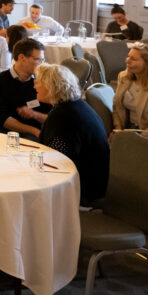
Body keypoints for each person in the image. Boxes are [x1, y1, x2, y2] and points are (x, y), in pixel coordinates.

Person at [37, 64, 110, 203]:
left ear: (50, 86)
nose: (34, 86)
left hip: (83, 188)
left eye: (38, 82)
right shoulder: (76, 104)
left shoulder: (63, 115)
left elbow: (57, 159)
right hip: (97, 180)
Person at [0, 38, 49, 137]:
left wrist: (34, 115)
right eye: (38, 59)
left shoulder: (42, 81)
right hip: (3, 130)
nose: (42, 64)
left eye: (43, 60)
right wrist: (33, 130)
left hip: (33, 132)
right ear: (22, 58)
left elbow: (51, 117)